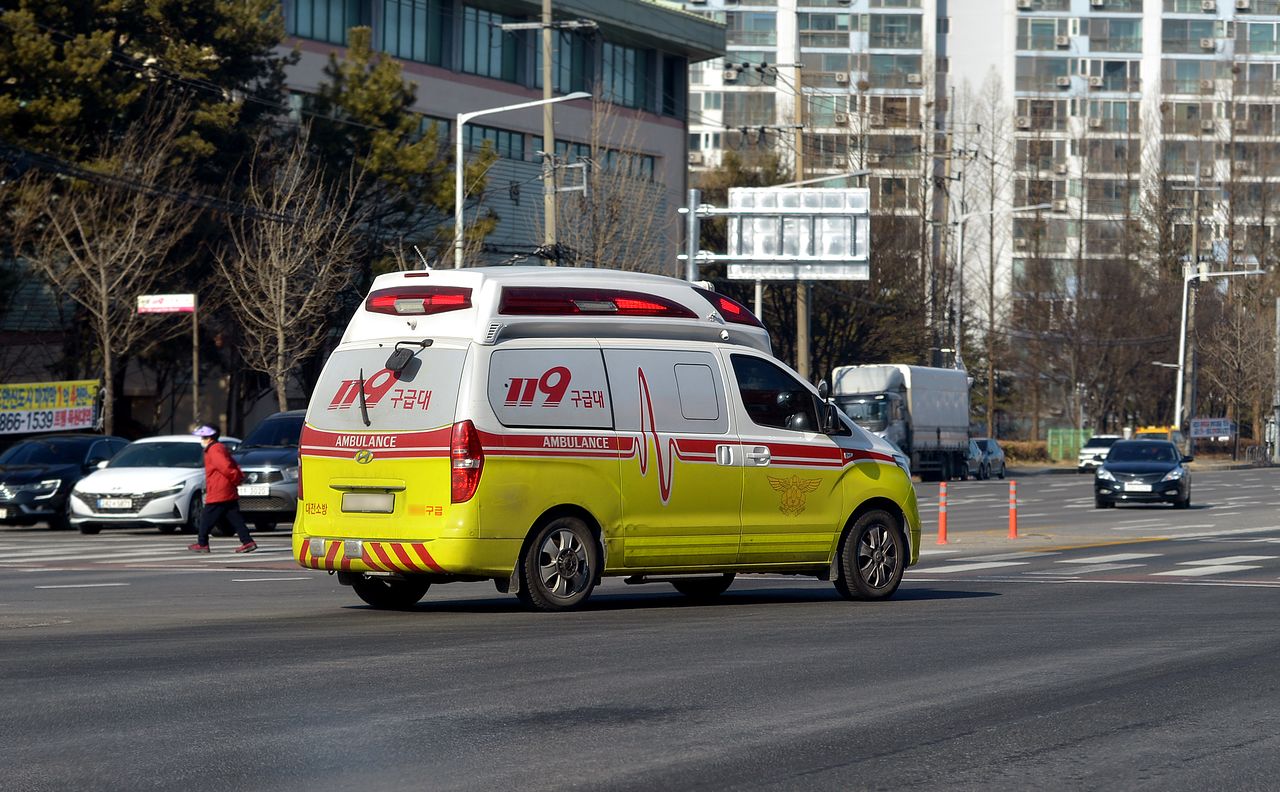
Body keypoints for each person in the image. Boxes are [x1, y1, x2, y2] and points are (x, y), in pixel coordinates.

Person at [187, 424, 256, 553]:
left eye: (205, 436)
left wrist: (236, 478)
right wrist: (238, 478)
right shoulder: (219, 447)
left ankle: (202, 543)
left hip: (220, 490)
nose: (202, 439)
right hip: (226, 489)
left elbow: (225, 467)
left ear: (211, 437)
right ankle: (247, 541)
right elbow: (232, 463)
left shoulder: (214, 449)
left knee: (206, 518)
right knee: (235, 518)